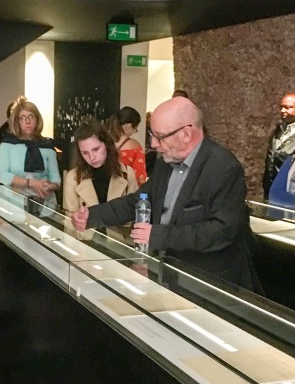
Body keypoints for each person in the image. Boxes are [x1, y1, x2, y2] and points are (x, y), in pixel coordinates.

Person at [72, 97, 260, 292]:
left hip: (207, 283)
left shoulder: (223, 167)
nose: (153, 144)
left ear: (186, 133)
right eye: (151, 135)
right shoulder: (165, 162)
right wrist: (93, 215)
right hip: (168, 275)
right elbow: (137, 201)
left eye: (160, 136)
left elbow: (222, 231)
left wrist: (159, 235)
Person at [63, 118, 138, 214]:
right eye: (85, 153)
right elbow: (70, 221)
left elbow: (134, 214)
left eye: (96, 149)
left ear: (106, 145)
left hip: (119, 229)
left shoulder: (127, 174)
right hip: (87, 229)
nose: (92, 157)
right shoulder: (73, 178)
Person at [0, 96, 60, 208]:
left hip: (44, 203)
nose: (27, 121)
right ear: (17, 121)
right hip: (14, 205)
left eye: (31, 116)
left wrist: (52, 186)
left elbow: (55, 176)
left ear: (37, 120)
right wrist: (31, 183)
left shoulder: (47, 145)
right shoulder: (8, 144)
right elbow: (2, 175)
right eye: (22, 117)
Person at [262, 92, 295, 200]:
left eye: (288, 107)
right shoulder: (279, 130)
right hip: (271, 186)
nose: (282, 111)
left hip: (290, 188)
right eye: (281, 107)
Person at [107, 106, 148, 184]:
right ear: (129, 126)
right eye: (135, 129)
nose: (134, 132)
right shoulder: (134, 146)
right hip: (125, 192)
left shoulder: (102, 141)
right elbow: (140, 177)